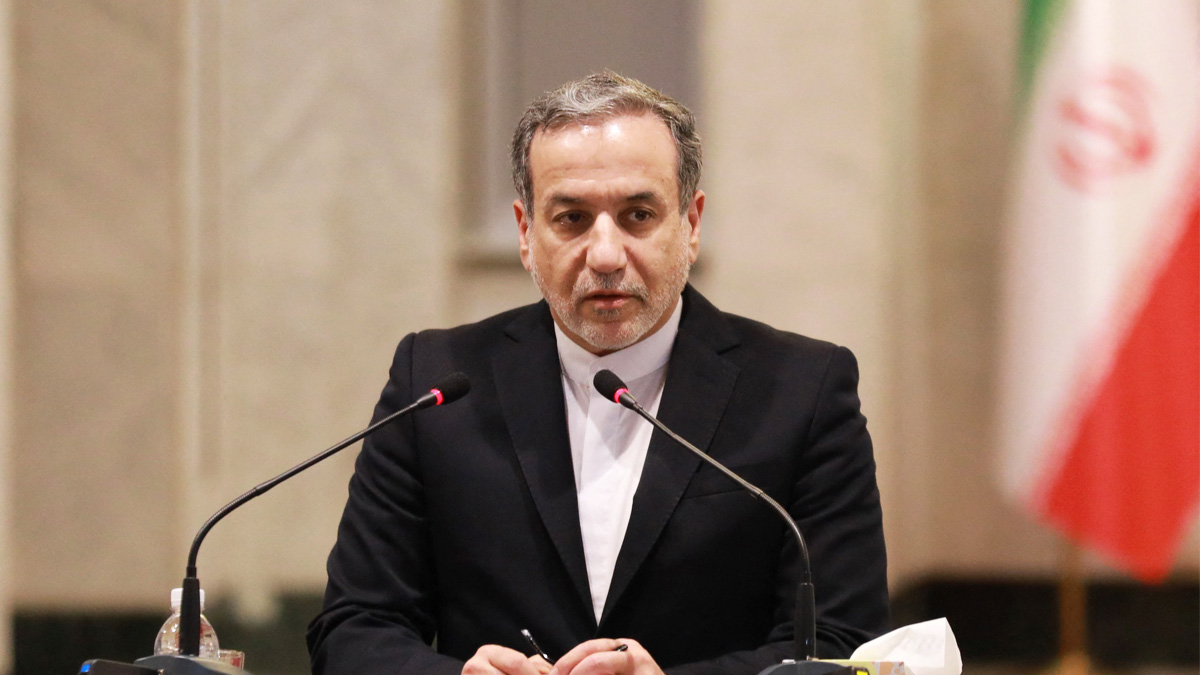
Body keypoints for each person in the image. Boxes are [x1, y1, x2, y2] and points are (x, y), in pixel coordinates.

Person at [307, 71, 888, 675]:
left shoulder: (802, 391)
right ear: (526, 233)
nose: (605, 255)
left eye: (638, 214)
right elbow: (353, 629)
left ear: (690, 225)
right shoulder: (435, 384)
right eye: (572, 218)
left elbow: (843, 642)